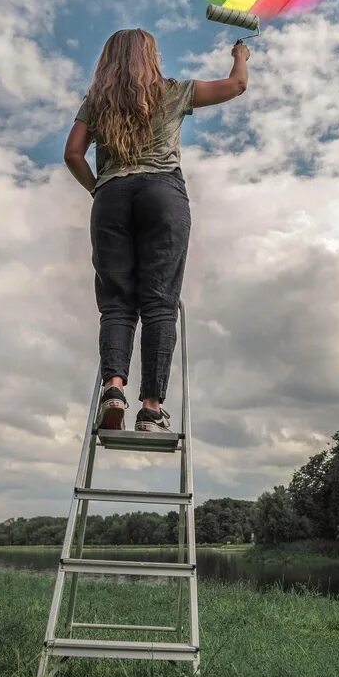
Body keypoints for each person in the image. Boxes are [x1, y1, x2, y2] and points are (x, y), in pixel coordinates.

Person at [63, 27, 250, 433]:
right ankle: (150, 409)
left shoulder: (96, 102)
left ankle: (113, 388)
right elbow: (236, 86)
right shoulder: (173, 91)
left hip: (112, 196)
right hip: (163, 193)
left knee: (117, 303)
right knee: (160, 302)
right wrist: (241, 56)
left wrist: (99, 187)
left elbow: (73, 153)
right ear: (151, 56)